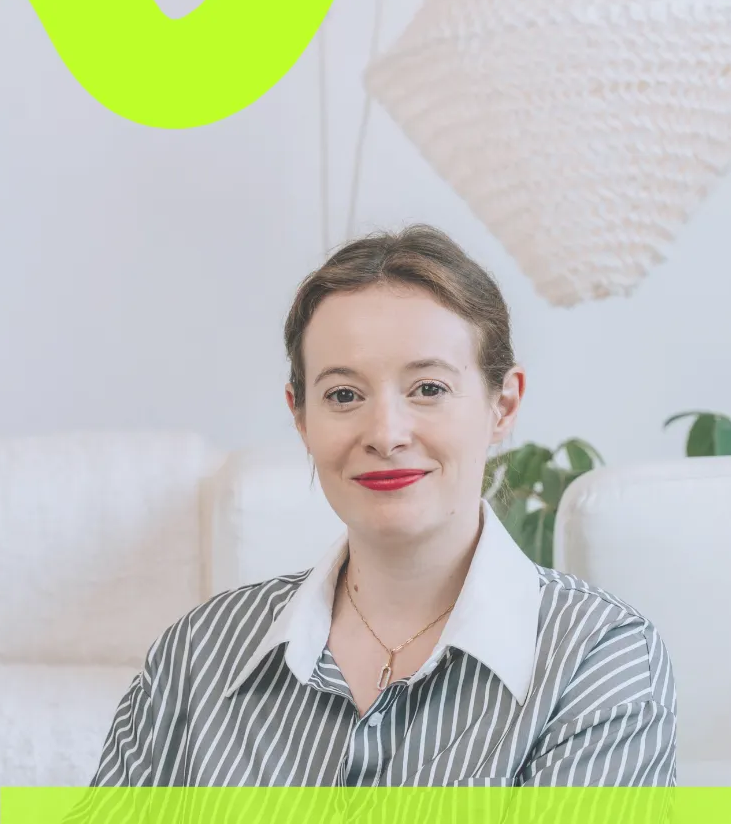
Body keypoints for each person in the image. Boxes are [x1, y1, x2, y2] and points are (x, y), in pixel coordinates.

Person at [87, 224, 677, 791]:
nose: (386, 433)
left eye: (429, 389)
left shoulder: (600, 656)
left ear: (503, 405)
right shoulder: (200, 650)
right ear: (301, 417)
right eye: (344, 395)